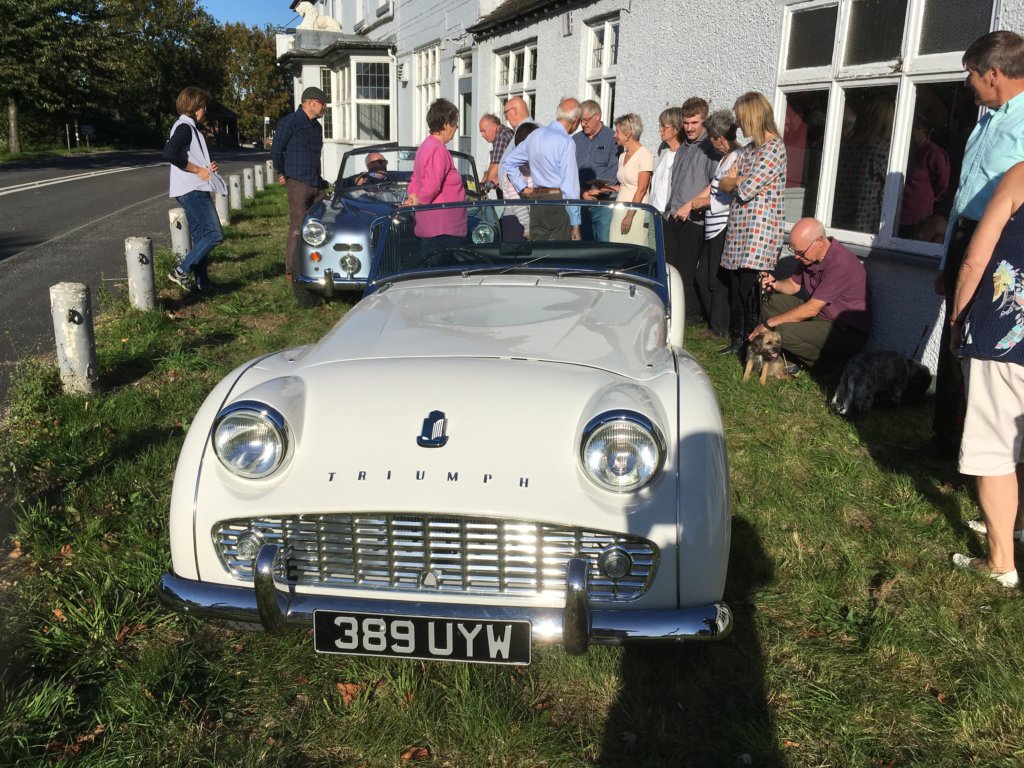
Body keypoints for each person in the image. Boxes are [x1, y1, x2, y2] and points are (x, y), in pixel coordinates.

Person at [926, 30, 1024, 460]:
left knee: (985, 345)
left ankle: (990, 456)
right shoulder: (987, 116)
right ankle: (946, 444)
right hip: (968, 239)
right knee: (954, 343)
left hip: (1003, 245)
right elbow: (964, 197)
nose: (967, 85)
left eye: (971, 76)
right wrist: (948, 258)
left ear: (994, 74)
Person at [948, 160, 1024, 588]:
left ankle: (1000, 561)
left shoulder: (1020, 176)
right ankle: (1018, 525)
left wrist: (958, 320)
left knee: (995, 446)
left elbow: (976, 258)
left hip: (1006, 334)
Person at [751, 217, 870, 373]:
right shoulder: (810, 256)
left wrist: (768, 324)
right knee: (771, 303)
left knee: (783, 332)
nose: (796, 257)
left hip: (844, 330)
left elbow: (811, 309)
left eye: (800, 252)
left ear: (819, 242)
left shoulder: (841, 264)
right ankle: (787, 356)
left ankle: (831, 366)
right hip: (819, 314)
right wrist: (775, 284)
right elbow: (793, 285)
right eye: (795, 251)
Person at [719, 91, 787, 357]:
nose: (739, 125)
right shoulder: (748, 151)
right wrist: (735, 181)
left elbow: (747, 188)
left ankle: (754, 343)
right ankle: (738, 340)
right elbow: (723, 183)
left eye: (741, 119)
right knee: (735, 287)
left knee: (749, 290)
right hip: (739, 228)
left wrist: (737, 181)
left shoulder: (774, 148)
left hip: (759, 231)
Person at [663, 97, 721, 327]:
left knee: (686, 273)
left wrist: (692, 203)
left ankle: (691, 317)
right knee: (670, 269)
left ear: (704, 121)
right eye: (686, 123)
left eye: (694, 123)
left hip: (694, 220)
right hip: (673, 215)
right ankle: (672, 311)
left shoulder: (711, 149)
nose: (689, 128)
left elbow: (715, 182)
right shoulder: (684, 147)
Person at [163, 86, 223, 293]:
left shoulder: (188, 127)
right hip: (192, 189)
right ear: (194, 107)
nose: (205, 110)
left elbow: (186, 156)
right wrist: (198, 170)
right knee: (215, 234)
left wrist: (207, 168)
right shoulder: (185, 127)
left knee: (201, 237)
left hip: (191, 187)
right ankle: (180, 271)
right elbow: (170, 153)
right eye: (203, 106)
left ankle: (202, 283)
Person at [689, 109, 742, 338]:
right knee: (703, 276)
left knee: (714, 279)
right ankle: (715, 323)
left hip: (722, 225)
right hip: (713, 226)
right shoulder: (726, 157)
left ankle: (719, 328)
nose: (711, 143)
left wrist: (706, 202)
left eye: (711, 138)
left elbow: (730, 196)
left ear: (719, 138)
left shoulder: (737, 156)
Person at [503, 97, 583, 241]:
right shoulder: (566, 142)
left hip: (536, 202)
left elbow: (509, 161)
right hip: (557, 202)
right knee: (558, 255)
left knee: (538, 253)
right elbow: (570, 186)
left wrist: (522, 187)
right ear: (576, 120)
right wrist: (575, 222)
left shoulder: (535, 135)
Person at [270, 85, 328, 281]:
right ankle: (291, 270)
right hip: (298, 181)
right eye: (322, 103)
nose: (325, 107)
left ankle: (317, 264)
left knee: (320, 223)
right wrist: (283, 173)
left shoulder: (317, 127)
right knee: (298, 224)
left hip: (315, 182)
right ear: (310, 102)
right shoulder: (289, 122)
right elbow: (276, 151)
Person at [406, 98, 467, 249]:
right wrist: (419, 201)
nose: (457, 127)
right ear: (446, 125)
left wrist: (413, 197)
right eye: (455, 123)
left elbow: (415, 178)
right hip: (443, 228)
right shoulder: (438, 150)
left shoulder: (425, 146)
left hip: (431, 226)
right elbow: (432, 185)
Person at [584, 114, 653, 245]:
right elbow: (624, 186)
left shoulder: (645, 155)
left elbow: (642, 189)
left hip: (635, 211)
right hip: (619, 208)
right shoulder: (622, 156)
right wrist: (605, 189)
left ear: (628, 133)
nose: (615, 135)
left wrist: (630, 215)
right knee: (616, 245)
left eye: (617, 132)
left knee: (634, 247)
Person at [573, 100, 620, 241]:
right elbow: (570, 171)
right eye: (581, 120)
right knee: (583, 246)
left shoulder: (612, 138)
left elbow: (614, 169)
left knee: (604, 243)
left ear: (597, 116)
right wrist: (582, 192)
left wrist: (596, 190)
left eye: (586, 120)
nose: (583, 124)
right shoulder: (575, 140)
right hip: (580, 200)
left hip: (604, 202)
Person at [898, 115, 951, 239]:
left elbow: (942, 183)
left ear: (923, 130)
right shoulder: (901, 151)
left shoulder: (933, 153)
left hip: (917, 218)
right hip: (895, 216)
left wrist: (931, 197)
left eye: (913, 129)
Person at [478, 114, 513, 193]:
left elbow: (495, 166)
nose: (482, 135)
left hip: (510, 190)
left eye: (483, 131)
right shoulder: (504, 133)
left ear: (494, 126)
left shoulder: (501, 136)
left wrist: (484, 189)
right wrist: (485, 178)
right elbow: (493, 165)